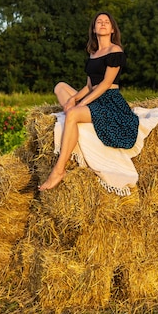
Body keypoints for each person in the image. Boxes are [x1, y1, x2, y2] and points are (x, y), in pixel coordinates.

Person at [39, 11, 139, 191]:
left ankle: (59, 170)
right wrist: (74, 98)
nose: (102, 24)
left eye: (106, 22)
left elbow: (105, 84)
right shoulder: (93, 54)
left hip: (110, 101)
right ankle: (74, 120)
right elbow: (90, 85)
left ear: (112, 30)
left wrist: (81, 103)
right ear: (93, 29)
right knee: (60, 87)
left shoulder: (115, 51)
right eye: (98, 22)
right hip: (95, 96)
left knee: (73, 113)